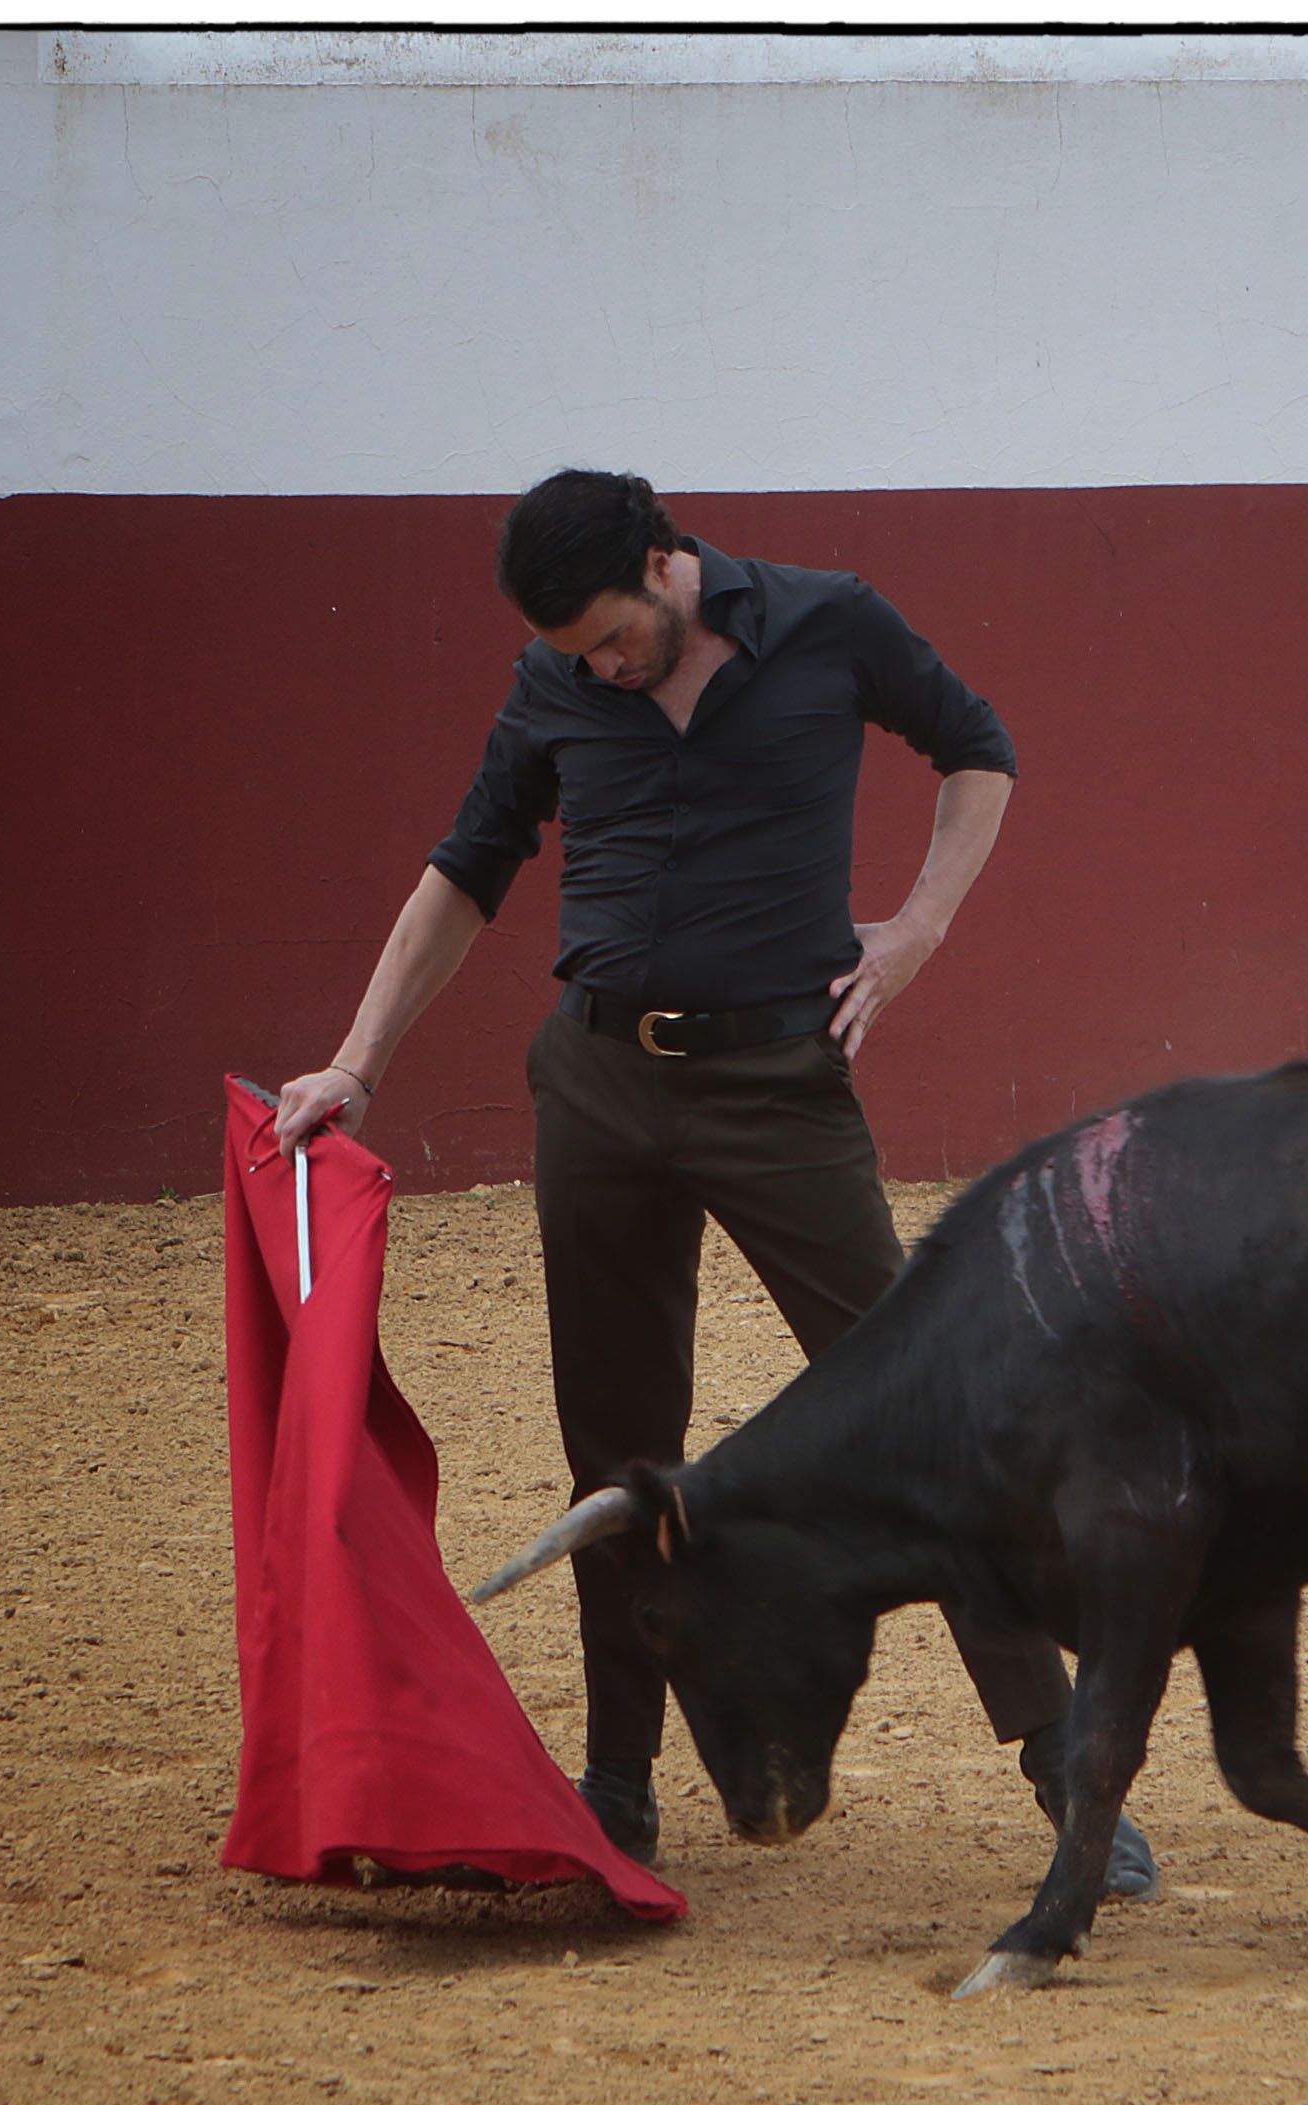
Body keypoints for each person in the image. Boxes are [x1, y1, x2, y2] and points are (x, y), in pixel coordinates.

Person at [276, 469, 1155, 1895]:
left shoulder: (829, 622)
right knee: (615, 1450)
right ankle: (618, 1783)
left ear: (663, 561)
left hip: (777, 1087)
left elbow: (977, 746)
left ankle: (1063, 1759)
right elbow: (466, 868)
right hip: (599, 1085)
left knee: (918, 1405)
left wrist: (916, 930)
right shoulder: (556, 681)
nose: (602, 669)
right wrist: (356, 1064)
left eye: (613, 638)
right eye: (575, 655)